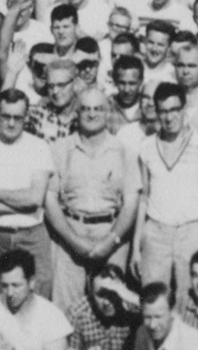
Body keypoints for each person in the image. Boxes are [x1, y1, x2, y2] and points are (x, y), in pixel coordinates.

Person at [45, 86, 139, 314]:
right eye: (85, 109)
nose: (91, 114)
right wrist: (74, 241)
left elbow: (131, 203)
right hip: (69, 236)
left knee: (112, 308)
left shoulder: (125, 151)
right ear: (77, 112)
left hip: (112, 234)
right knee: (66, 310)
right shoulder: (59, 149)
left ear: (108, 112)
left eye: (98, 108)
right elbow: (50, 200)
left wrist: (111, 240)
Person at [0, 89, 54, 299]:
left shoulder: (39, 147)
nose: (11, 123)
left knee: (38, 298)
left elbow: (35, 199)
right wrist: (22, 203)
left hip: (32, 236)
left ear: (26, 118)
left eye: (17, 118)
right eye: (6, 116)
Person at [135, 83, 198, 294]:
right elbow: (143, 198)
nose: (169, 118)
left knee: (190, 297)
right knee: (152, 295)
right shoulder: (146, 147)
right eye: (163, 111)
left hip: (190, 231)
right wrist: (135, 248)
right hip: (156, 231)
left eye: (174, 110)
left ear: (184, 109)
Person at [0, 249, 72, 350]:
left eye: (16, 285)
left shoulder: (53, 316)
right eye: (4, 286)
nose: (9, 293)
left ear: (31, 282)